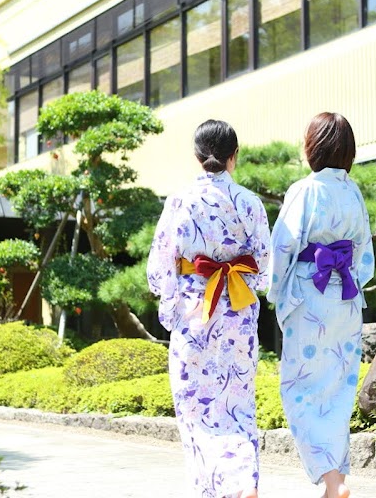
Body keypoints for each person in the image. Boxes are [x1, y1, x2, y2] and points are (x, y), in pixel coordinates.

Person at [147, 119, 270, 498]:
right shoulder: (250, 201)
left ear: (197, 157)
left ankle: (215, 488)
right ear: (235, 156)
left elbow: (159, 267)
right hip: (237, 313)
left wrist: (170, 311)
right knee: (237, 405)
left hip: (193, 314)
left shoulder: (180, 201)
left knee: (195, 409)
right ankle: (242, 479)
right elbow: (263, 265)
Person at [267, 112, 375, 498]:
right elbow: (364, 255)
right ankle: (336, 483)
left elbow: (282, 247)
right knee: (338, 388)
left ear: (312, 148)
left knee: (298, 391)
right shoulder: (353, 192)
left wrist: (276, 291)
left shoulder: (305, 190)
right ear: (348, 151)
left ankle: (331, 478)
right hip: (345, 297)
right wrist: (352, 282)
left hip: (309, 294)